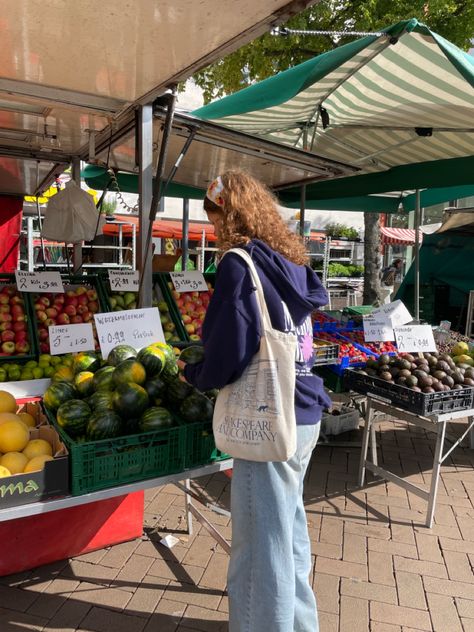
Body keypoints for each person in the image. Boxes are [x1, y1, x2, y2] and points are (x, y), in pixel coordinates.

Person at [179, 170, 331, 632]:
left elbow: (230, 348)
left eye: (213, 220)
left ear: (229, 216)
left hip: (267, 416)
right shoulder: (292, 263)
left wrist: (196, 374)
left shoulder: (237, 264)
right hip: (303, 413)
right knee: (290, 536)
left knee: (260, 547)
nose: (212, 231)